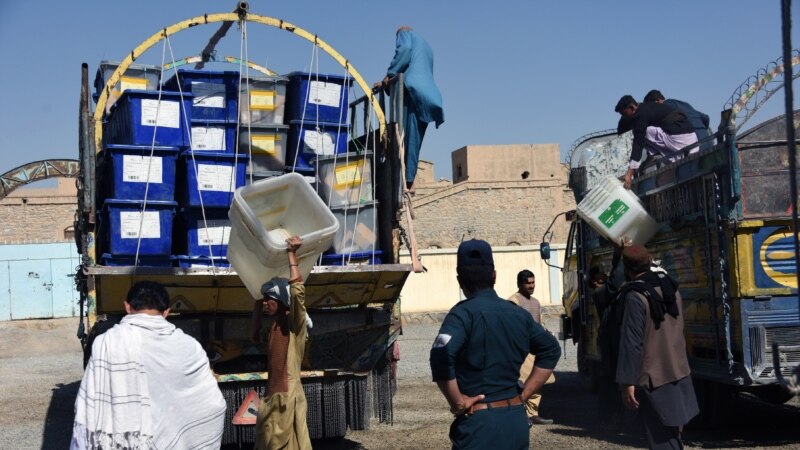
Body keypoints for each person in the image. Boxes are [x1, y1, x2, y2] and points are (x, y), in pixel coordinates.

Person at [430, 239, 561, 450]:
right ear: (494, 275)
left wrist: (458, 403)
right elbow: (551, 349)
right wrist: (525, 394)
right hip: (515, 423)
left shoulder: (461, 315)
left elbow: (441, 356)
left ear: (459, 280)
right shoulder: (518, 314)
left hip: (480, 426)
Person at [71, 281, 226, 450]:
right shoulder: (190, 345)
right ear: (167, 312)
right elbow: (210, 403)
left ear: (127, 307)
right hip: (173, 441)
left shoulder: (107, 343)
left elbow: (90, 403)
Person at [616, 245, 699, 449]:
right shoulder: (671, 288)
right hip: (679, 370)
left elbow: (632, 342)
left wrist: (627, 382)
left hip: (654, 377)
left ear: (627, 270)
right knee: (673, 434)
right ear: (650, 260)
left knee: (661, 439)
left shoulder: (635, 296)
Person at [252, 235, 313, 450]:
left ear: (282, 302)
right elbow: (254, 334)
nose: (265, 303)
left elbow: (297, 293)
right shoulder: (274, 328)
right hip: (271, 400)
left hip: (287, 399)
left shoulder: (293, 326)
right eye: (264, 299)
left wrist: (291, 255)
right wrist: (257, 302)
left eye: (270, 299)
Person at [378, 26, 445, 191]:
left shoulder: (405, 35)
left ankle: (405, 181)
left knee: (405, 137)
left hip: (414, 92)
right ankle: (409, 180)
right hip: (429, 97)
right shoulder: (426, 46)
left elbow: (404, 51)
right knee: (414, 141)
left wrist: (389, 74)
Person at [614, 95, 698, 189]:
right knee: (641, 132)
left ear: (633, 108)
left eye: (625, 114)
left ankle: (654, 155)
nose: (625, 117)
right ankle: (657, 155)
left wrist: (629, 175)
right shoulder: (647, 107)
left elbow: (638, 143)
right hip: (691, 139)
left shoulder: (639, 115)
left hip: (680, 139)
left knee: (642, 133)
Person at [508, 270, 555, 426]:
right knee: (522, 381)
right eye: (528, 283)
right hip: (521, 349)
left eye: (533, 282)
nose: (531, 286)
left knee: (537, 381)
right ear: (520, 284)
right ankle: (519, 413)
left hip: (535, 348)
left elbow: (538, 323)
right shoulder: (514, 301)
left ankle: (533, 413)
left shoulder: (535, 302)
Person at [643, 89, 712, 152]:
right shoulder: (684, 104)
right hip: (707, 141)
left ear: (657, 101)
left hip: (693, 144)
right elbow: (706, 118)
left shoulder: (663, 109)